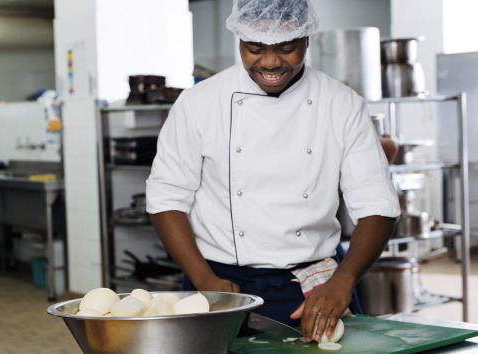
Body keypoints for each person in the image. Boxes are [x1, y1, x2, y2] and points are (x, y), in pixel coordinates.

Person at [145, 0, 400, 343]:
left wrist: (343, 281)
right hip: (217, 283)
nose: (269, 62)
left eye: (286, 47)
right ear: (239, 40)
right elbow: (166, 197)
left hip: (314, 286)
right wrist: (203, 279)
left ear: (307, 38)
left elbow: (378, 205)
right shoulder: (199, 103)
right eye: (254, 48)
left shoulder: (341, 104)